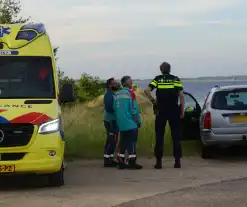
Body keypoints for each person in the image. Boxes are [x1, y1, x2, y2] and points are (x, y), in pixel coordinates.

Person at [144, 62, 184, 169]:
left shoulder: (157, 79)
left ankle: (158, 162)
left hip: (161, 110)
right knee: (176, 136)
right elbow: (181, 95)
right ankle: (177, 161)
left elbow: (147, 90)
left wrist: (154, 102)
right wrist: (182, 110)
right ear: (169, 69)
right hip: (174, 110)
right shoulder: (175, 79)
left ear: (161, 70)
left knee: (159, 136)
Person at [113, 76, 142, 170]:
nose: (132, 83)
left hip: (121, 123)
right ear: (127, 83)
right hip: (131, 122)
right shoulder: (130, 94)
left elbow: (115, 109)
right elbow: (133, 110)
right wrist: (138, 121)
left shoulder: (117, 94)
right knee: (132, 142)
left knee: (123, 142)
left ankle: (121, 162)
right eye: (131, 81)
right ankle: (132, 162)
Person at [103, 78, 119, 167]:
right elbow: (109, 108)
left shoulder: (112, 94)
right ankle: (107, 160)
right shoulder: (109, 95)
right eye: (114, 83)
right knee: (111, 140)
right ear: (110, 85)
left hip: (113, 120)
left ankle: (110, 158)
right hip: (110, 121)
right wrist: (118, 113)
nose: (116, 84)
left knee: (114, 140)